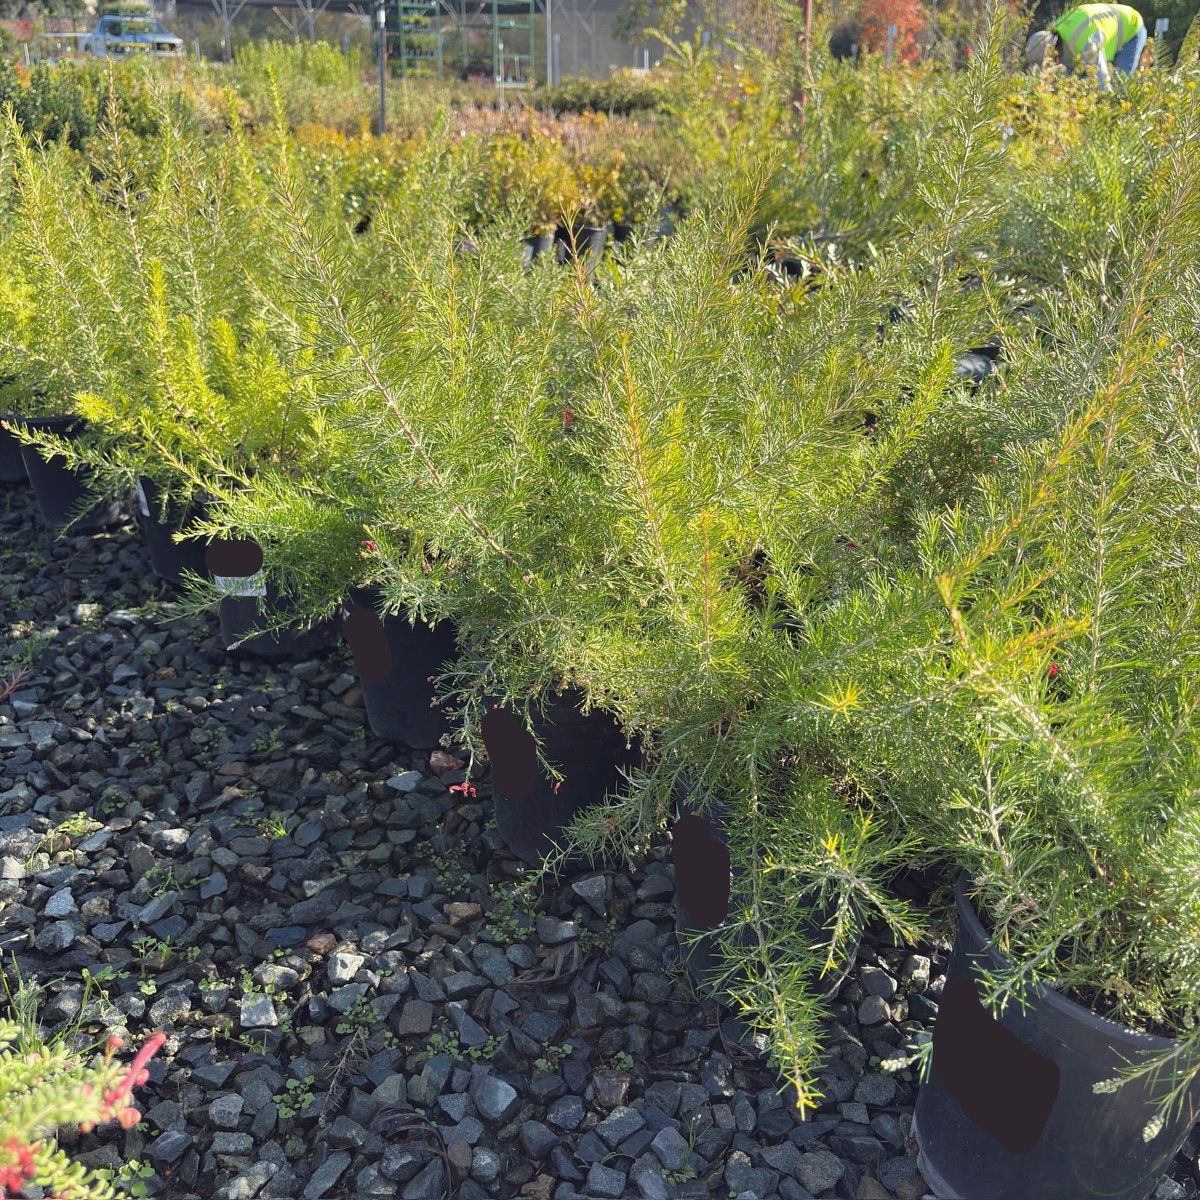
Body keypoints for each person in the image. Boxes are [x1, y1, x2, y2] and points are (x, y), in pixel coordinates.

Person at [1026, 5, 1147, 91]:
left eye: (1048, 65)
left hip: (1130, 27)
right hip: (1102, 25)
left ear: (1055, 55)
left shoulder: (1085, 43)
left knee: (1119, 86)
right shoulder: (1057, 30)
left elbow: (1102, 83)